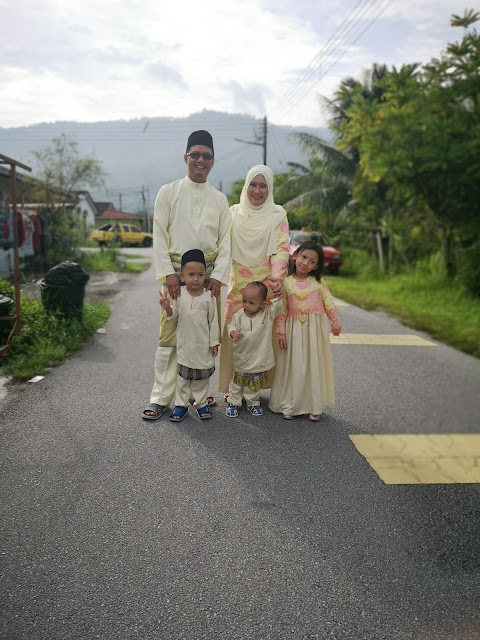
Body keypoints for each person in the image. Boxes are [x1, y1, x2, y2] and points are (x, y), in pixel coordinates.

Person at [142, 130, 231, 420]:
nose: (200, 160)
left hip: (208, 281)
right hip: (176, 276)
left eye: (206, 156)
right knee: (170, 338)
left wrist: (217, 277)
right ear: (186, 157)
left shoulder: (219, 200)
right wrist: (168, 272)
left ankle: (200, 394)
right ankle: (161, 397)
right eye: (195, 154)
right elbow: (159, 234)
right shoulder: (168, 193)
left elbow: (226, 241)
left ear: (213, 161)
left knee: (205, 337)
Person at [218, 164, 290, 396]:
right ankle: (234, 385)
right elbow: (219, 245)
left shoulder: (277, 214)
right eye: (253, 185)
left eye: (263, 186)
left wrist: (277, 279)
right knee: (236, 333)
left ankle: (262, 385)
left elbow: (282, 247)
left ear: (270, 189)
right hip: (239, 284)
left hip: (267, 287)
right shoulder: (232, 213)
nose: (258, 191)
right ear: (246, 186)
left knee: (262, 336)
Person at [269, 241, 342, 421]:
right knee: (294, 367)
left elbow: (329, 302)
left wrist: (335, 323)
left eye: (311, 261)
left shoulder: (318, 282)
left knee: (312, 366)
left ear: (316, 266)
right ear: (295, 256)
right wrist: (281, 333)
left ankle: (313, 405)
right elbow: (282, 310)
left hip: (313, 332)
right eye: (303, 257)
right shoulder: (285, 282)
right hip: (293, 331)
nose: (305, 263)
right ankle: (290, 404)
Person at [159, 249, 219, 422]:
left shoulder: (209, 296)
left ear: (205, 275)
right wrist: (168, 308)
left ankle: (201, 404)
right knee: (184, 378)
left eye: (200, 274)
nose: (195, 278)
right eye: (191, 274)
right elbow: (174, 316)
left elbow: (213, 321)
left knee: (201, 378)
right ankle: (181, 404)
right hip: (185, 344)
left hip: (203, 345)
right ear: (182, 275)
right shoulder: (180, 294)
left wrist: (214, 342)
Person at [225, 281, 283, 417]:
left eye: (252, 303)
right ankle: (233, 402)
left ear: (262, 304)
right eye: (244, 301)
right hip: (242, 356)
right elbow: (231, 325)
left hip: (259, 357)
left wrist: (277, 295)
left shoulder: (266, 314)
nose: (246, 305)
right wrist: (233, 332)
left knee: (254, 384)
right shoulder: (239, 314)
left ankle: (252, 402)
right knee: (237, 383)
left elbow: (278, 307)